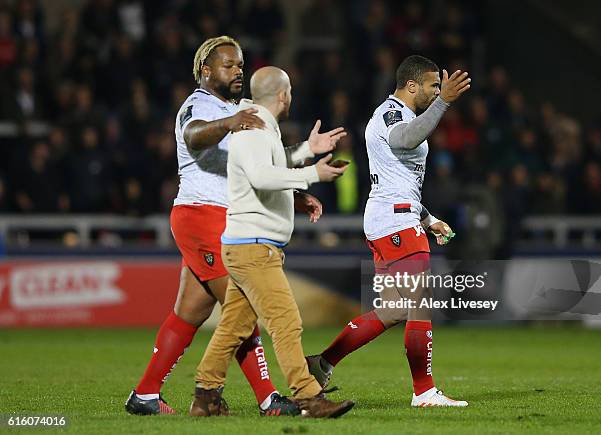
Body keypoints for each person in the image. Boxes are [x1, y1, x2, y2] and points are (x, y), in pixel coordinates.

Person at [125, 36, 325, 416]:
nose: (238, 71)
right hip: (203, 215)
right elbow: (193, 135)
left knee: (190, 312)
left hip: (217, 217)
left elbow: (258, 167)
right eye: (228, 65)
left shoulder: (237, 109)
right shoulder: (199, 106)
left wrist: (296, 190)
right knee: (244, 305)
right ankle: (269, 399)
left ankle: (146, 394)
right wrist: (230, 122)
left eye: (240, 65)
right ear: (206, 70)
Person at [190, 66, 355, 418]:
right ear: (284, 95)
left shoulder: (260, 126)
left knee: (234, 326)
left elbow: (270, 164)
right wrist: (314, 174)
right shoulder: (253, 127)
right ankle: (308, 397)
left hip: (249, 244)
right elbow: (262, 176)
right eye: (290, 90)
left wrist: (307, 150)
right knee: (286, 320)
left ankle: (205, 398)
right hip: (253, 246)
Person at [306, 55, 472, 407]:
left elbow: (400, 182)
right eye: (432, 86)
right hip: (396, 223)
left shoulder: (404, 116)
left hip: (394, 217)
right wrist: (444, 103)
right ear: (412, 85)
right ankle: (424, 392)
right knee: (420, 303)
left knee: (394, 310)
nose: (436, 91)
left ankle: (322, 363)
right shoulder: (391, 114)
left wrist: (428, 219)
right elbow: (406, 140)